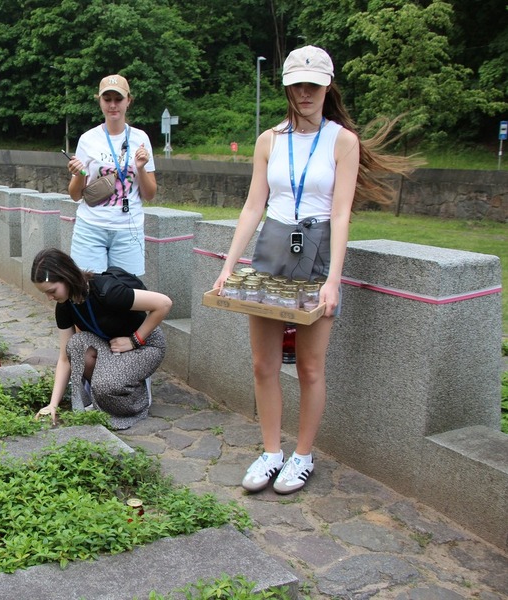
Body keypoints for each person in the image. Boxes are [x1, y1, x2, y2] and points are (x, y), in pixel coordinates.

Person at [211, 46, 416, 494]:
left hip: (318, 248)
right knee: (263, 364)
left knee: (310, 366)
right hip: (272, 246)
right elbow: (253, 206)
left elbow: (341, 214)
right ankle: (270, 452)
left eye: (313, 85)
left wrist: (333, 279)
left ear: (327, 87)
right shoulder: (270, 139)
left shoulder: (342, 141)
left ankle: (302, 456)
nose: (304, 93)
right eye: (297, 84)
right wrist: (229, 266)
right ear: (286, 86)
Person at [31, 248, 171, 430]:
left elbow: (164, 303)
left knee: (105, 385)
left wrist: (134, 340)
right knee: (75, 345)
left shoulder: (107, 291)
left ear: (67, 277)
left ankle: (137, 395)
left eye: (52, 291)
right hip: (111, 346)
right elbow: (65, 358)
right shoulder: (64, 306)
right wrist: (53, 405)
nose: (49, 298)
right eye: (46, 293)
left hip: (145, 345)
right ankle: (109, 390)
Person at [64, 74, 157, 277]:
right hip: (91, 227)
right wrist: (79, 174)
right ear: (100, 101)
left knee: (126, 292)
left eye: (118, 99)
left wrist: (140, 168)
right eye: (107, 99)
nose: (113, 105)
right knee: (88, 289)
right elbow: (75, 195)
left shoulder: (141, 139)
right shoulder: (88, 139)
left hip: (128, 228)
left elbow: (149, 194)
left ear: (128, 101)